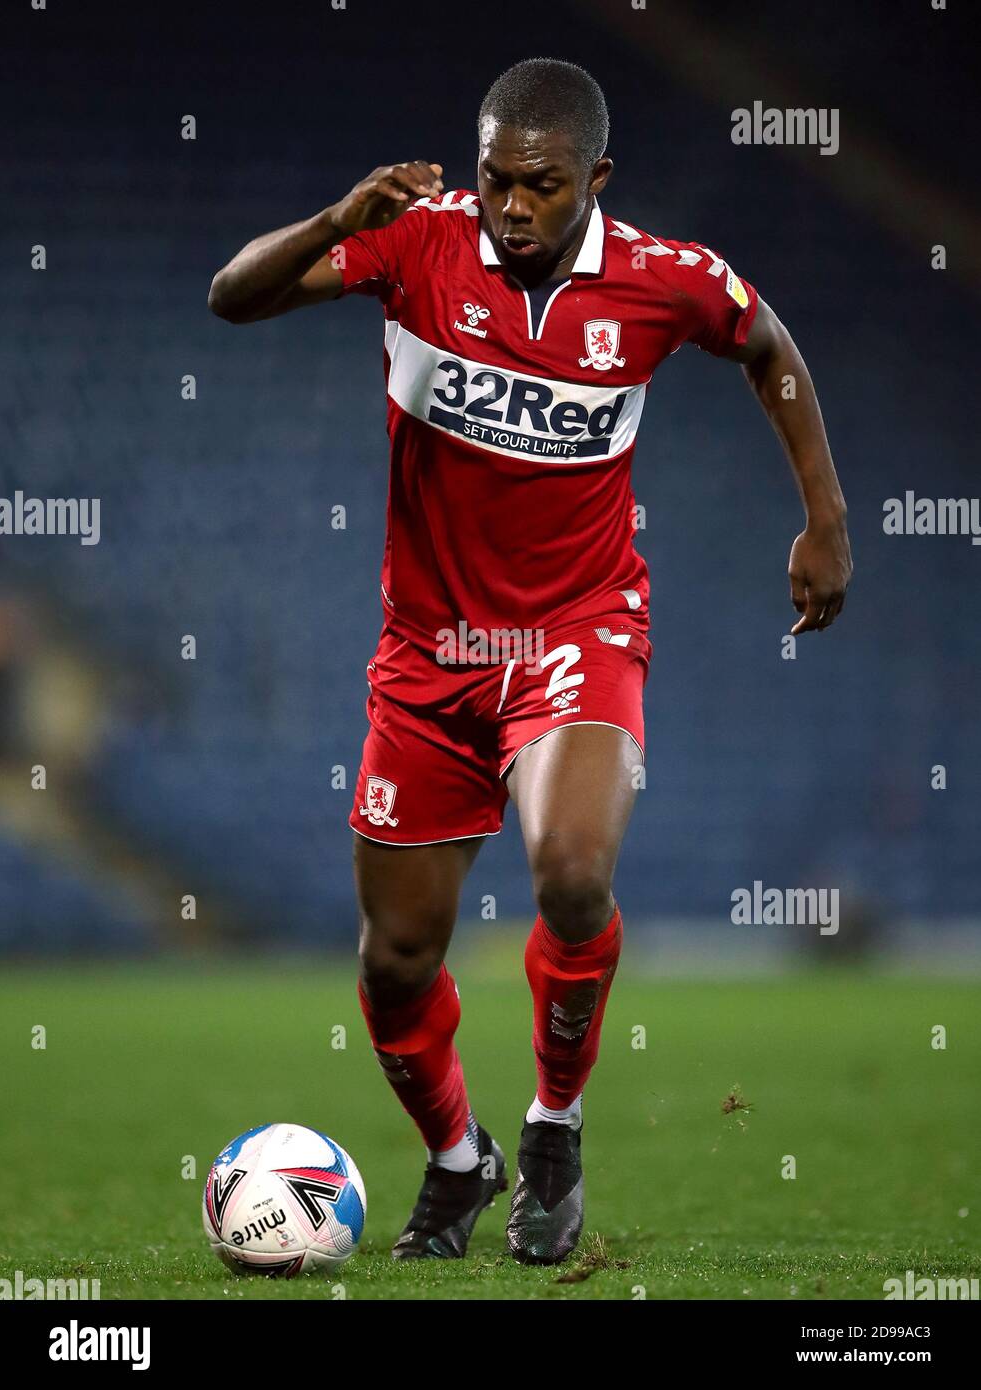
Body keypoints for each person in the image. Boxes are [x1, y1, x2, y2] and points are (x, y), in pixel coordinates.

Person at [208, 57, 852, 1266]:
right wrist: (340, 220)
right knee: (395, 964)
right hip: (428, 652)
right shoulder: (418, 244)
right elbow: (231, 299)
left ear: (594, 179)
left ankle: (553, 1126)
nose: (510, 206)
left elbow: (769, 346)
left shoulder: (664, 281)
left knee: (569, 871)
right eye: (497, 180)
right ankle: (460, 1160)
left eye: (541, 187)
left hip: (577, 630)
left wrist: (824, 518)